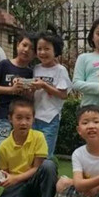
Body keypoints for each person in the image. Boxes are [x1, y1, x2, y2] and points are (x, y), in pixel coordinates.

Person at [0, 98, 58, 197]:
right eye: (19, 118)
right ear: (10, 118)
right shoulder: (3, 146)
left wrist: (15, 178)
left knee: (48, 165)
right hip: (16, 185)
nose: (23, 122)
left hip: (35, 181)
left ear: (33, 119)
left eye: (28, 118)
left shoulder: (39, 137)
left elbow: (37, 167)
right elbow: (5, 173)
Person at [0, 32, 35, 147]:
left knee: (20, 146)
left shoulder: (31, 72)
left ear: (35, 54)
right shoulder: (4, 65)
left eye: (31, 48)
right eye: (24, 45)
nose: (26, 50)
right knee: (2, 146)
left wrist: (28, 93)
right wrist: (11, 89)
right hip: (4, 114)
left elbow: (30, 98)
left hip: (22, 118)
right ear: (17, 45)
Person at [32, 30, 72, 158]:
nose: (42, 52)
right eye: (39, 49)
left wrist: (44, 86)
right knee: (31, 153)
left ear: (56, 50)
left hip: (50, 117)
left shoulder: (60, 70)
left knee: (45, 154)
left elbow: (63, 94)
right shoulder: (36, 68)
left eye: (47, 49)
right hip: (33, 116)